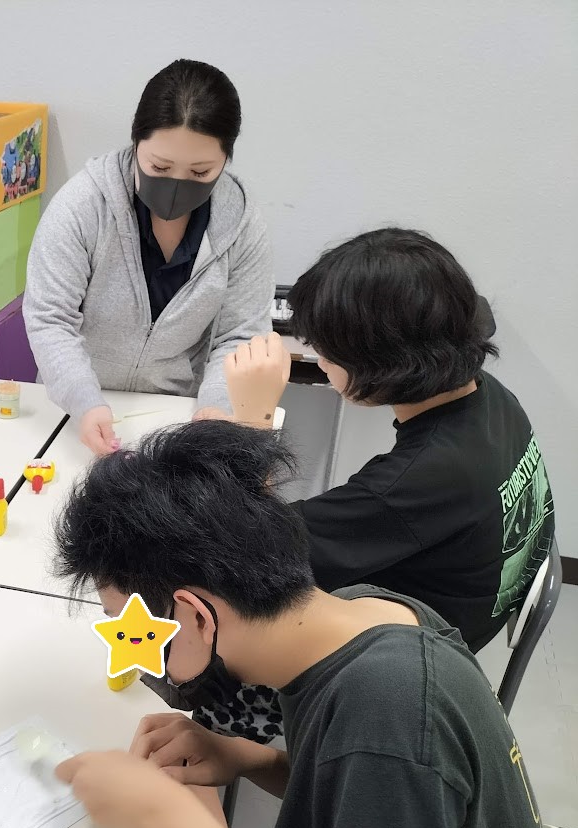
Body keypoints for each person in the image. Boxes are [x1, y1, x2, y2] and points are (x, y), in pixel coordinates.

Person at [52, 421, 548, 828]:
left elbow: (381, 765)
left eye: (136, 635)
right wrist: (247, 758)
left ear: (196, 616)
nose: (142, 659)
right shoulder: (359, 614)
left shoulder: (389, 714)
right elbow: (357, 789)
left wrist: (169, 816)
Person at [199, 229, 556, 741]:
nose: (317, 359)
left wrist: (251, 424)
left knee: (190, 635)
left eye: (325, 351)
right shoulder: (489, 398)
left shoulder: (412, 484)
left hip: (401, 671)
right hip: (456, 617)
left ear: (383, 366)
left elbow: (250, 555)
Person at [25, 59, 273, 456]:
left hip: (177, 416)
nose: (176, 185)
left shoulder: (240, 223)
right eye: (159, 166)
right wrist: (85, 401)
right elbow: (50, 318)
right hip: (74, 412)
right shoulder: (83, 206)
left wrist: (216, 409)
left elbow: (241, 335)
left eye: (200, 172)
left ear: (226, 159)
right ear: (136, 142)